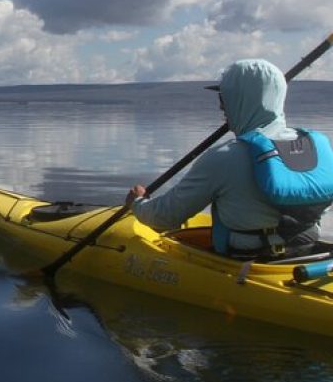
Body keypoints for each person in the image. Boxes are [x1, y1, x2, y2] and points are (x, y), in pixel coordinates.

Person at [126, 58, 333, 259]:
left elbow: (166, 217)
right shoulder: (312, 145)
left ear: (239, 99)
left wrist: (138, 202)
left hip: (245, 264)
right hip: (307, 254)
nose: (221, 107)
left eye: (224, 98)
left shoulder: (225, 157)